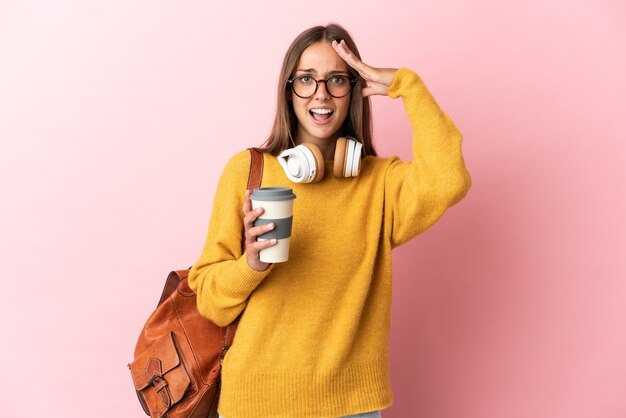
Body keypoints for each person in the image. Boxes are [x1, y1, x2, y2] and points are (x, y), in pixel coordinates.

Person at [189, 23, 471, 418]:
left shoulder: (380, 184)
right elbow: (210, 304)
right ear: (289, 89)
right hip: (256, 403)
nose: (321, 94)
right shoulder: (248, 171)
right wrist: (250, 266)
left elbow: (449, 179)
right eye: (306, 79)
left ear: (353, 90)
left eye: (336, 79)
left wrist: (407, 86)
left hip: (351, 406)